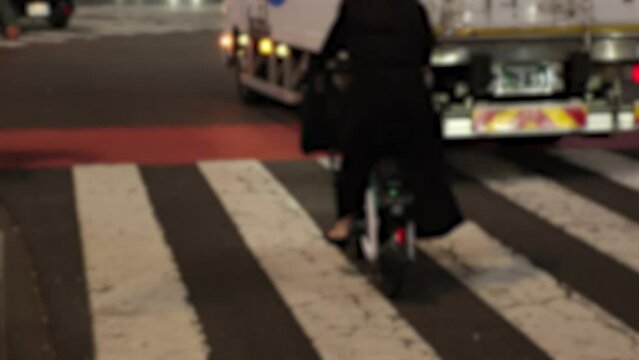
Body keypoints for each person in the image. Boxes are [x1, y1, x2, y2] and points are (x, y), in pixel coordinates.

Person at [324, 0, 463, 242]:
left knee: (354, 159)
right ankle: (431, 216)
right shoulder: (413, 9)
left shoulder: (355, 8)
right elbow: (425, 49)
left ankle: (346, 220)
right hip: (410, 97)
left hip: (369, 95)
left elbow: (334, 45)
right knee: (423, 155)